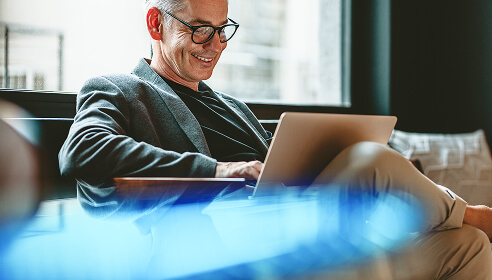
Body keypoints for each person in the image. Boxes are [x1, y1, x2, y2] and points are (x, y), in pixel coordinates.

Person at [58, 0, 492, 278]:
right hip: (239, 244)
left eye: (223, 28)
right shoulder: (118, 88)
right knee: (369, 160)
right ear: (155, 23)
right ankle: (467, 211)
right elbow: (83, 150)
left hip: (308, 226)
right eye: (200, 29)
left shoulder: (234, 106)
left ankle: (461, 221)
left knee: (466, 247)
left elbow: (285, 160)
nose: (216, 43)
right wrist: (219, 170)